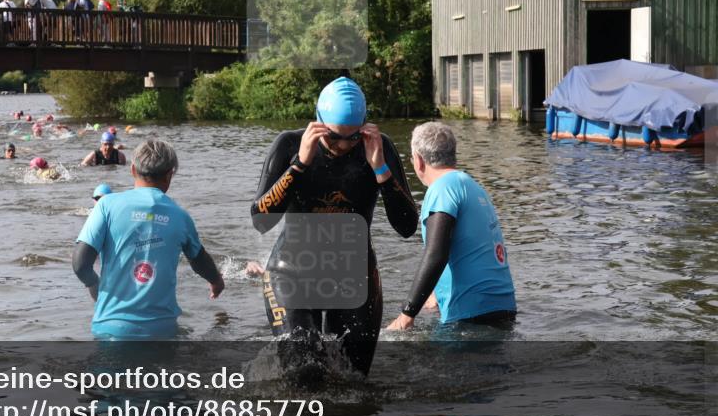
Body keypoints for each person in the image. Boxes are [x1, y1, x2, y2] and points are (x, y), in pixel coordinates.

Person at [251, 77, 418, 375]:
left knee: (354, 382)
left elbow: (407, 226)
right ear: (317, 123)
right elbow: (261, 219)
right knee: (302, 371)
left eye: (352, 138)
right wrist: (299, 165)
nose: (343, 145)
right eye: (333, 137)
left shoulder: (379, 147)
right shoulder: (289, 144)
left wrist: (380, 169)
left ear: (364, 126)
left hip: (354, 274)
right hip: (292, 271)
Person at [72, 138, 224, 339]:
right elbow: (199, 260)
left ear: (133, 170)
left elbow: (80, 264)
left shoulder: (106, 206)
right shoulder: (181, 216)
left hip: (111, 329)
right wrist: (216, 281)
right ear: (170, 175)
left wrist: (94, 286)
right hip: (161, 332)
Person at [386, 123, 516, 332]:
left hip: (470, 316)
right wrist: (436, 292)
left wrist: (407, 313)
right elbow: (470, 246)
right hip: (503, 308)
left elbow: (436, 254)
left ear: (418, 160)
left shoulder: (442, 189)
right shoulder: (472, 185)